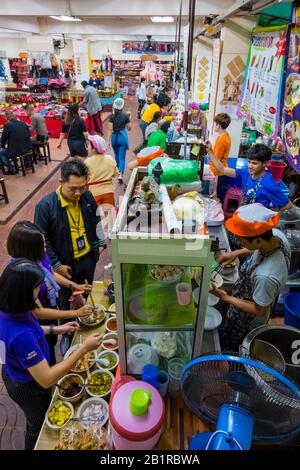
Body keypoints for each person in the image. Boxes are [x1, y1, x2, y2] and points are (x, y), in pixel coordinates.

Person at [0, 258, 102, 449]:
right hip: (27, 385)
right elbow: (46, 379)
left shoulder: (10, 308)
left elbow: (29, 331)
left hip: (12, 370)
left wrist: (57, 329)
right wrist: (84, 349)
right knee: (37, 427)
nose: (39, 293)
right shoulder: (20, 335)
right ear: (22, 294)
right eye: (36, 289)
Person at [34, 158, 106, 353]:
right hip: (65, 266)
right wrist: (56, 264)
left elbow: (97, 219)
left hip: (88, 259)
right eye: (73, 188)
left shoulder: (87, 197)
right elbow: (43, 240)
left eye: (82, 187)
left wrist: (100, 244)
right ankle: (67, 334)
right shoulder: (46, 206)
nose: (78, 193)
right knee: (66, 300)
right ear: (61, 183)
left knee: (85, 293)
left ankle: (84, 326)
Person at [7, 220, 94, 365]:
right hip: (40, 320)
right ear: (28, 250)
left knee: (51, 344)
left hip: (51, 308)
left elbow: (51, 272)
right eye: (42, 245)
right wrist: (75, 314)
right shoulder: (22, 276)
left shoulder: (40, 255)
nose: (45, 249)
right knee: (44, 355)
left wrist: (74, 285)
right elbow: (38, 312)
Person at [212, 203, 290, 351]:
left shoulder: (266, 276)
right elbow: (256, 248)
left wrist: (225, 298)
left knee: (236, 345)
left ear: (258, 240)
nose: (240, 243)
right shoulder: (276, 237)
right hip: (243, 298)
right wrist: (235, 253)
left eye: (242, 240)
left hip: (247, 320)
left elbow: (259, 309)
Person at [206, 143, 293, 211]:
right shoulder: (246, 172)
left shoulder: (269, 184)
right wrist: (210, 151)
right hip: (244, 216)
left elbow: (288, 205)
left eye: (254, 163)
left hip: (258, 224)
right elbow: (222, 170)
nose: (250, 166)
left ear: (265, 163)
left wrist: (267, 212)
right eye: (249, 162)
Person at [85, 134, 118, 206]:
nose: (87, 147)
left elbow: (85, 178)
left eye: (89, 146)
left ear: (94, 148)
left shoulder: (87, 161)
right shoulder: (110, 158)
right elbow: (116, 173)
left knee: (95, 215)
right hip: (109, 191)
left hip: (94, 192)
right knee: (109, 214)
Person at [106, 97, 131, 184]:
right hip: (122, 137)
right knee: (122, 158)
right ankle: (120, 174)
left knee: (116, 156)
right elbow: (129, 128)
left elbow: (109, 129)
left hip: (114, 138)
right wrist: (129, 118)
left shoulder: (112, 117)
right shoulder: (125, 116)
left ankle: (117, 172)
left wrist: (107, 141)